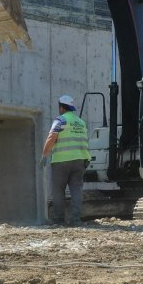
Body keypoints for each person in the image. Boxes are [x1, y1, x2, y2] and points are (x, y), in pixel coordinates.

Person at [42, 94, 91, 226]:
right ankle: (75, 220)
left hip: (61, 161)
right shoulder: (81, 123)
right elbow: (85, 141)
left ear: (61, 108)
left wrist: (45, 155)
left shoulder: (60, 120)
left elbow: (52, 137)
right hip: (80, 161)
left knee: (58, 190)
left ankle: (59, 220)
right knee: (76, 190)